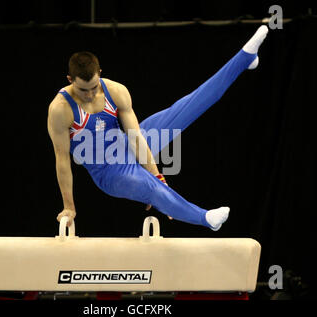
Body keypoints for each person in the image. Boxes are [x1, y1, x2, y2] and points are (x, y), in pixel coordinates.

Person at [48, 25, 269, 231]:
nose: (89, 94)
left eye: (94, 87)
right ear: (70, 80)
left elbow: (135, 138)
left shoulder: (115, 91)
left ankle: (244, 59)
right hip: (110, 173)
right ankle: (205, 218)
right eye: (83, 90)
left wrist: (157, 175)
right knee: (152, 189)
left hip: (128, 147)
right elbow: (62, 160)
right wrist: (69, 206)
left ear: (100, 74)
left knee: (187, 106)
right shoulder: (61, 109)